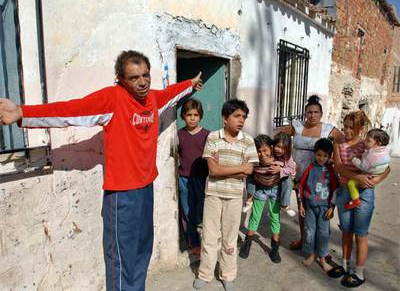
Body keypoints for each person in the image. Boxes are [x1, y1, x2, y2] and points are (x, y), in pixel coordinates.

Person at [0, 50, 203, 291]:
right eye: (134, 77)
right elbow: (70, 111)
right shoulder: (112, 99)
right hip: (122, 195)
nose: (142, 82)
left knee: (142, 249)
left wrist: (190, 84)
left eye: (145, 75)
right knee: (120, 258)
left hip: (146, 188)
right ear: (120, 78)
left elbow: (171, 94)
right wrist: (23, 113)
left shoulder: (152, 98)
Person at [193, 99, 258, 291]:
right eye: (237, 116)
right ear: (225, 118)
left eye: (243, 117)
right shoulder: (213, 138)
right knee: (210, 236)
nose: (241, 121)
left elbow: (249, 172)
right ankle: (205, 274)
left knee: (230, 237)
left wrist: (226, 169)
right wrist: (239, 168)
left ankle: (227, 275)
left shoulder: (248, 141)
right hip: (213, 194)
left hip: (235, 196)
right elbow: (213, 171)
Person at [333, 111, 390, 288]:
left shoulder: (367, 144)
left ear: (360, 128)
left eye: (352, 127)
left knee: (361, 234)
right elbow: (339, 167)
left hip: (364, 194)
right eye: (345, 126)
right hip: (345, 191)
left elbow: (386, 168)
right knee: (346, 231)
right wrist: (357, 178)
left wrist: (375, 180)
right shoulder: (338, 142)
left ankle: (359, 272)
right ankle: (344, 265)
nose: (347, 130)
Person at [278, 95, 343, 250]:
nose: (312, 115)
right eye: (309, 112)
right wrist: (284, 155)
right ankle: (304, 239)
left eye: (315, 112)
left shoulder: (328, 129)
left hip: (322, 179)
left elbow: (343, 141)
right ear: (305, 113)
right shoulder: (297, 126)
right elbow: (279, 134)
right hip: (300, 176)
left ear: (321, 114)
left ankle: (321, 248)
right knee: (303, 210)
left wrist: (335, 157)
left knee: (321, 211)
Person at [298, 138, 344, 278]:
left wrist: (332, 207)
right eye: (319, 155)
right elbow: (301, 186)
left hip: (325, 209)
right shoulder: (310, 169)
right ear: (314, 154)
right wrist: (301, 203)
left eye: (325, 156)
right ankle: (312, 254)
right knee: (309, 231)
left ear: (330, 156)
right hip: (309, 207)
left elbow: (335, 189)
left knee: (323, 233)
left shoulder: (331, 170)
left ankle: (323, 258)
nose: (321, 158)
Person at [239, 134, 286, 263]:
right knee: (255, 216)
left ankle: (275, 248)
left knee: (274, 218)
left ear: (271, 148)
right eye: (259, 151)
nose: (262, 154)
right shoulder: (255, 163)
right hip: (260, 190)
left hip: (275, 191)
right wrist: (250, 197)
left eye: (265, 150)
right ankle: (247, 243)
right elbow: (249, 178)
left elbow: (291, 170)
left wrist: (281, 169)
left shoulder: (280, 160)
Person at [177, 99, 209, 256]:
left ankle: (206, 240)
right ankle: (193, 241)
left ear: (200, 116)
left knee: (203, 210)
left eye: (195, 115)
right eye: (188, 114)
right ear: (183, 116)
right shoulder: (179, 135)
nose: (192, 118)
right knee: (188, 210)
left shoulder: (207, 135)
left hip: (202, 180)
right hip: (184, 179)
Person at [345, 128, 390, 209]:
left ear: (378, 144)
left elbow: (363, 166)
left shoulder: (372, 155)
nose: (365, 142)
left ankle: (355, 200)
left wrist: (353, 159)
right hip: (373, 177)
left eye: (368, 141)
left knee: (351, 183)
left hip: (368, 177)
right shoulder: (384, 151)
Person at [273, 131, 297, 217]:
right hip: (271, 179)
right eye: (278, 146)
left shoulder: (288, 157)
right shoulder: (271, 153)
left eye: (283, 148)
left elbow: (291, 169)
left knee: (288, 181)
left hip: (282, 178)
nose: (280, 150)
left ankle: (284, 204)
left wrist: (281, 170)